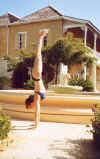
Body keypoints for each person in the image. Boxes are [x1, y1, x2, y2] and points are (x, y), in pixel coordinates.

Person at [25, 29, 48, 128]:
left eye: (29, 107)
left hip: (37, 75)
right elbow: (37, 110)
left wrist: (35, 125)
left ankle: (40, 36)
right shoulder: (36, 96)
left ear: (30, 104)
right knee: (39, 55)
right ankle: (41, 36)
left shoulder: (36, 97)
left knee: (38, 54)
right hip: (37, 76)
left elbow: (37, 112)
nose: (31, 108)